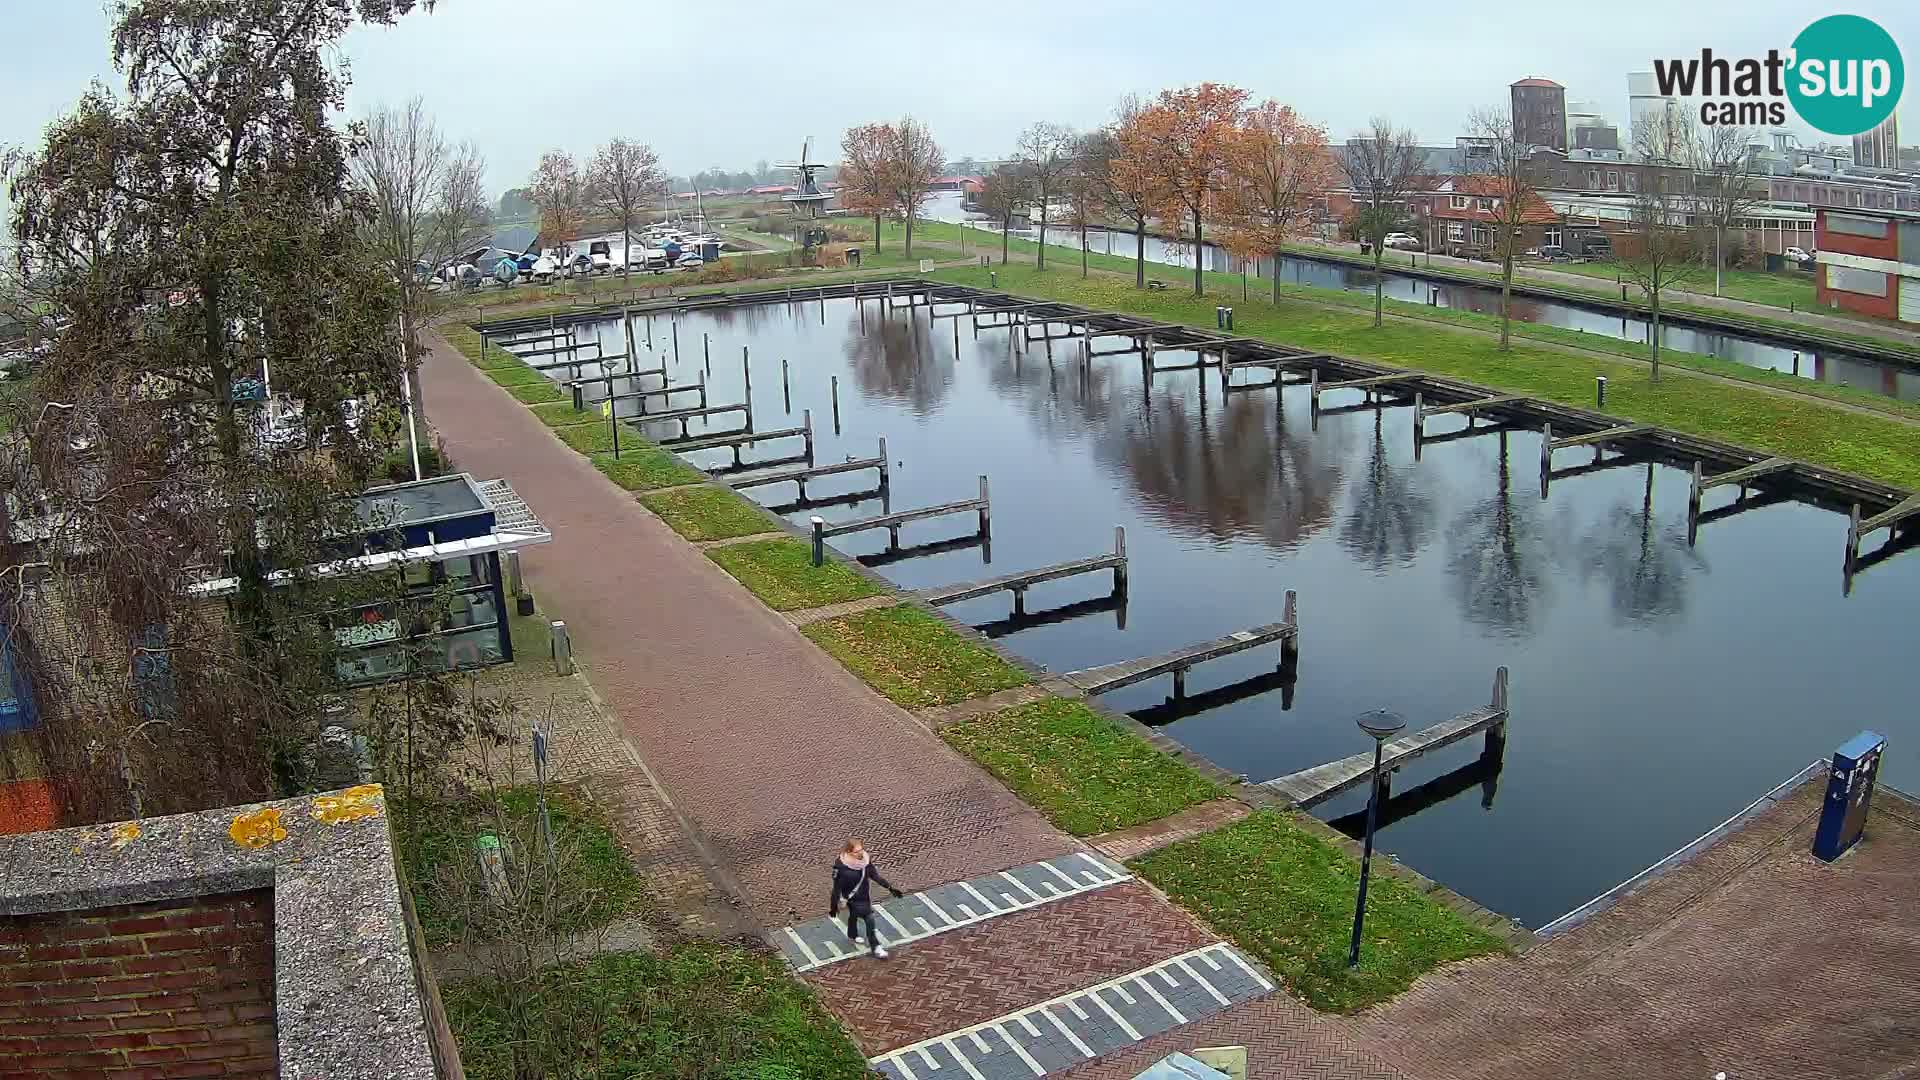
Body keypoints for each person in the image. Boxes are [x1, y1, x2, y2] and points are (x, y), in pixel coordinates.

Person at [829, 839, 903, 958]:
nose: (860, 853)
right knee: (869, 919)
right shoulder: (841, 866)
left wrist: (890, 888)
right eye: (856, 851)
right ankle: (876, 946)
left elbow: (874, 876)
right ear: (849, 852)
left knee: (854, 915)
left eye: (861, 850)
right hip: (852, 898)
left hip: (864, 895)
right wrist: (833, 906)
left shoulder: (865, 862)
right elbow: (836, 887)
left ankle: (852, 934)